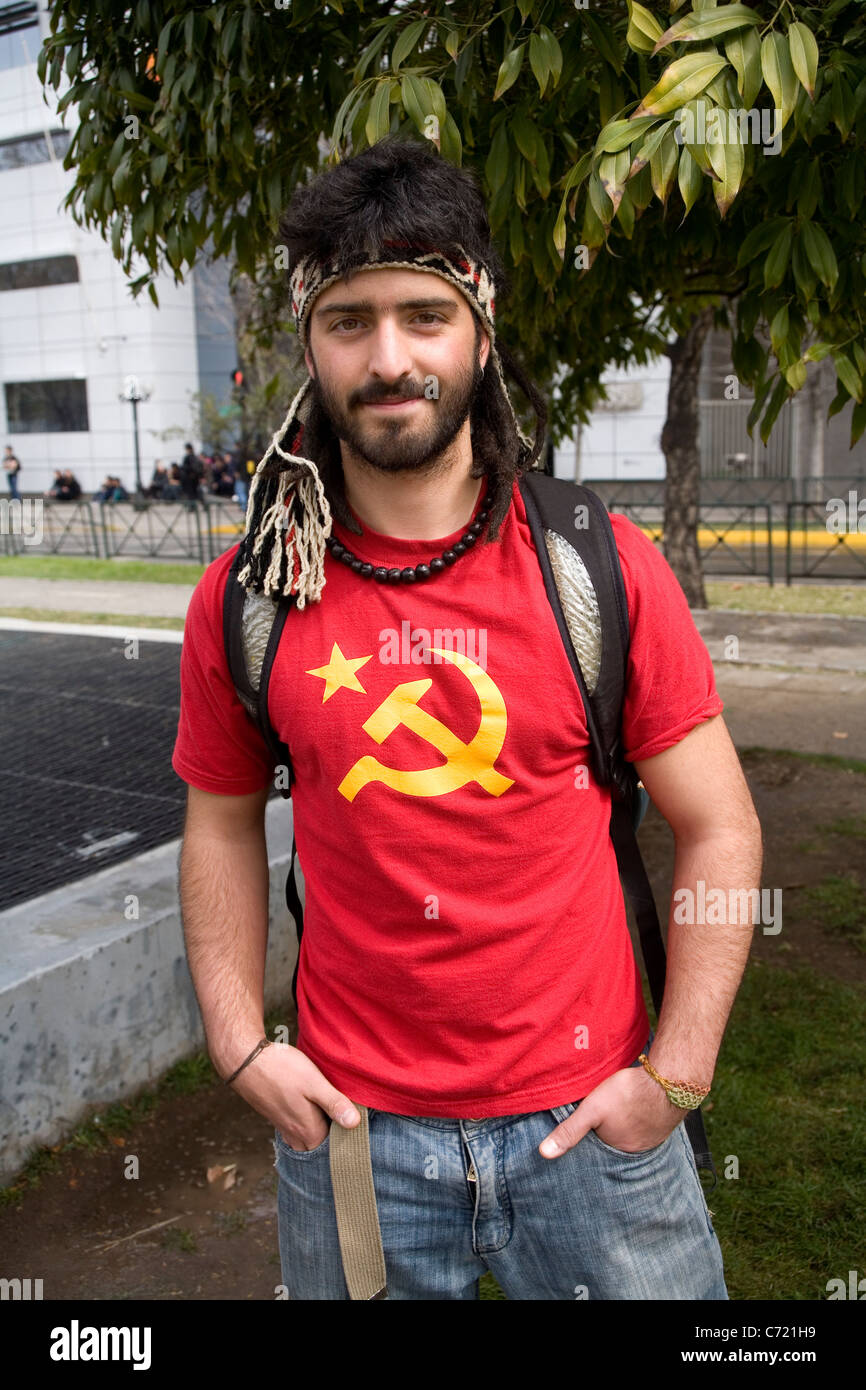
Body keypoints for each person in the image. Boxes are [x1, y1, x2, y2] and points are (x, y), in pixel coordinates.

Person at [171, 137, 762, 1301]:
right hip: (352, 1136)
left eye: (422, 314)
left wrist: (677, 1073)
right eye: (349, 320)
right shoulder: (249, 594)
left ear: (478, 328)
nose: (388, 358)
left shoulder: (595, 563)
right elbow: (221, 826)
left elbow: (721, 825)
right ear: (308, 341)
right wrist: (238, 1041)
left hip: (592, 1132)